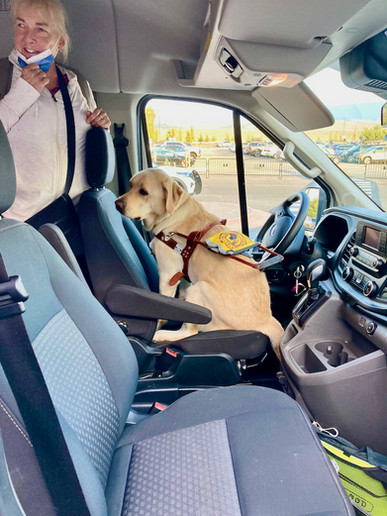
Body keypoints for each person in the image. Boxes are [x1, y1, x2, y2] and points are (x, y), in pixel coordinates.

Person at [0, 0, 111, 221]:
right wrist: (21, 94)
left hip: (75, 220)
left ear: (59, 41)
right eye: (21, 25)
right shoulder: (2, 75)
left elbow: (85, 144)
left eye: (40, 29)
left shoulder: (76, 81)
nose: (27, 37)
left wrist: (101, 128)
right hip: (17, 226)